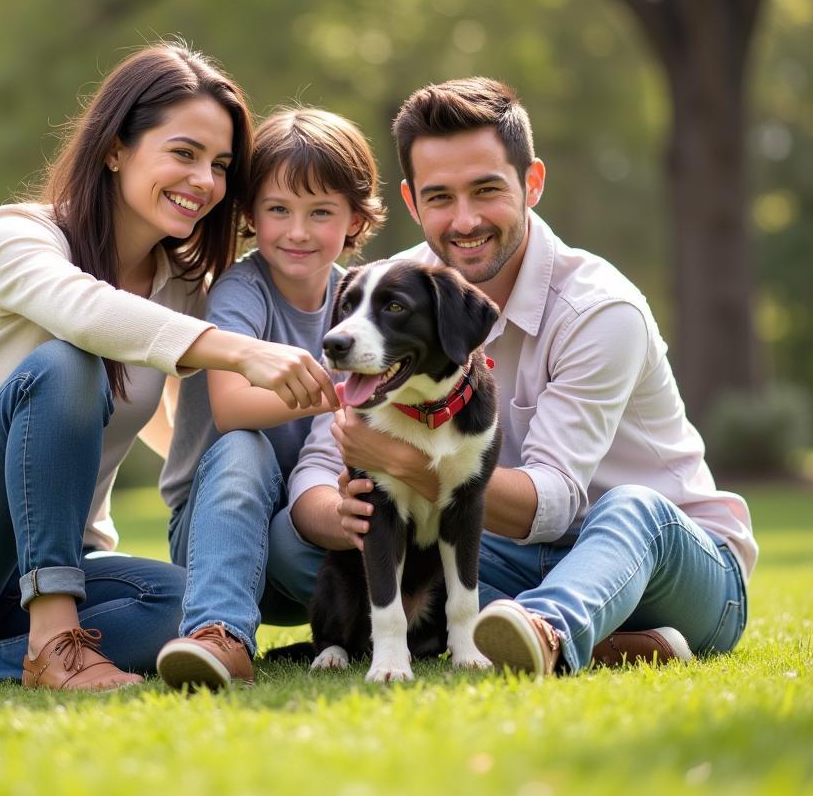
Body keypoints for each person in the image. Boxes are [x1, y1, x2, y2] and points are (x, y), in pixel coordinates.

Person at [0, 44, 337, 693]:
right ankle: (54, 643)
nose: (205, 181)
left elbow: (162, 425)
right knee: (66, 365)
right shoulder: (17, 236)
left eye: (221, 165)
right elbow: (86, 314)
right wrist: (242, 350)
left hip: (53, 565)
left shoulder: (182, 287)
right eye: (184, 152)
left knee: (191, 608)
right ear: (115, 148)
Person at [287, 77, 756, 677]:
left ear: (532, 182)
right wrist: (342, 515)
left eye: (486, 190)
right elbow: (319, 464)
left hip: (671, 563)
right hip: (513, 551)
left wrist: (403, 462)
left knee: (630, 508)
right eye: (439, 197)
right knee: (302, 547)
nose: (464, 220)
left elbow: (558, 505)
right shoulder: (391, 291)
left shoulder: (599, 309)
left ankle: (547, 630)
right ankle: (608, 640)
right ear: (411, 202)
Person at [153, 108, 385, 689]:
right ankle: (220, 635)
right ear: (251, 214)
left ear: (355, 219)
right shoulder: (241, 288)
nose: (298, 231)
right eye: (278, 210)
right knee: (245, 448)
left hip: (300, 535)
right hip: (215, 530)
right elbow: (232, 408)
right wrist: (350, 389)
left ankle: (403, 626)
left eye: (321, 212)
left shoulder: (359, 298)